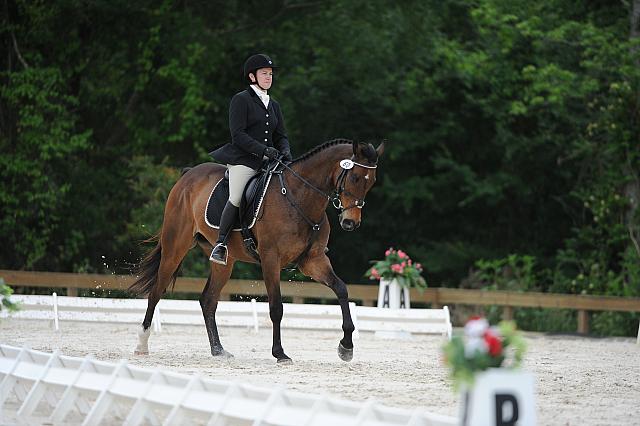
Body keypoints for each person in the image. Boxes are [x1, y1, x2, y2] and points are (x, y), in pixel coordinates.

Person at [209, 53, 292, 265]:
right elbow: (238, 135)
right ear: (252, 77)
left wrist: (285, 152)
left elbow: (280, 135)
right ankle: (220, 244)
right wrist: (264, 150)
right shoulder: (241, 100)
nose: (268, 77)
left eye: (271, 74)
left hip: (269, 160)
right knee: (236, 197)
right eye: (264, 73)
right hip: (243, 160)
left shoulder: (274, 105)